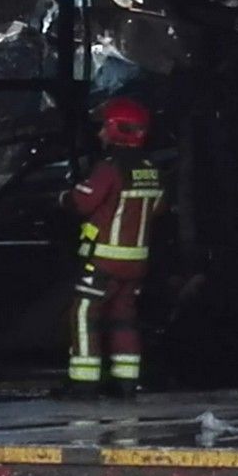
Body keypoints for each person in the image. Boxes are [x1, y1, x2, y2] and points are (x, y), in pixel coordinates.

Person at [62, 96, 167, 399]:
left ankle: (84, 383)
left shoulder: (109, 169)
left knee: (84, 313)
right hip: (137, 263)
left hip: (103, 259)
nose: (100, 134)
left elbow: (82, 202)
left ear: (116, 128)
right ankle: (126, 381)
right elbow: (158, 208)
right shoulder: (152, 169)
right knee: (124, 317)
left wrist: (63, 198)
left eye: (104, 127)